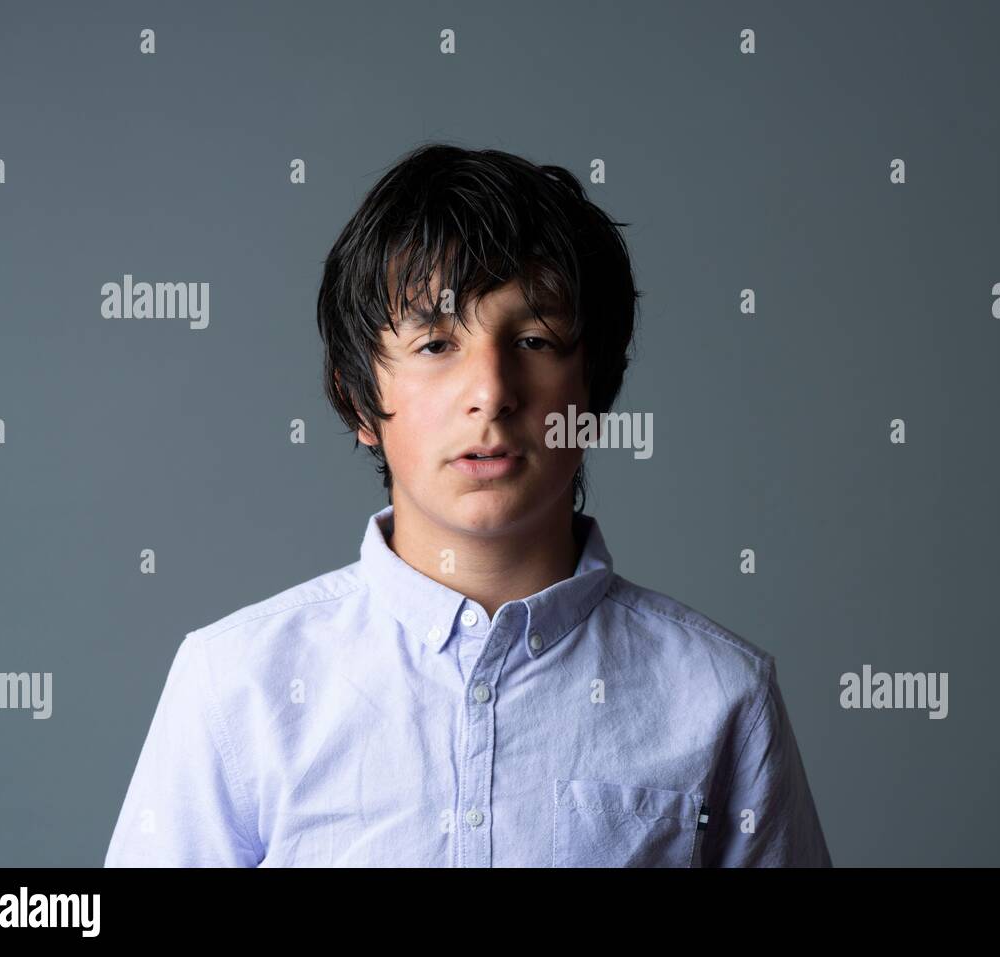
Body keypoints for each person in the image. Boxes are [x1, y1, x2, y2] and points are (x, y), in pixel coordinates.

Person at [104, 143, 832, 867]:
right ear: (360, 397)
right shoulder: (236, 687)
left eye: (535, 338)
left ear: (594, 389)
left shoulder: (721, 695)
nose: (491, 390)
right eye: (435, 343)